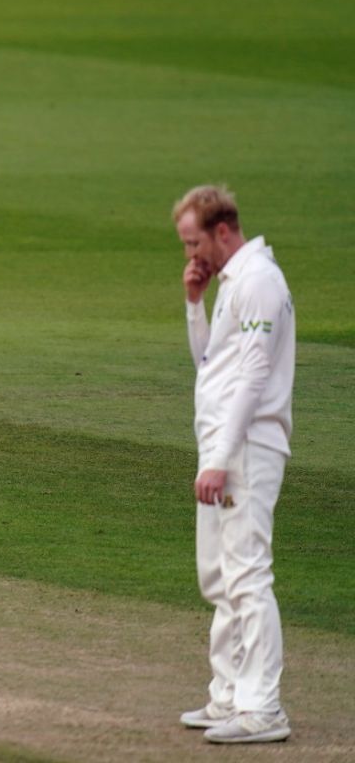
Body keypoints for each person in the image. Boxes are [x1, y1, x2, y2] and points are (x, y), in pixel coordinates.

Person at [173, 185, 295, 744]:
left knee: (247, 576)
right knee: (219, 578)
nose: (191, 255)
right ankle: (228, 696)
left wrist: (221, 458)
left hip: (246, 447)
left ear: (224, 231)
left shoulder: (260, 281)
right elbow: (210, 364)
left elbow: (253, 377)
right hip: (223, 447)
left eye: (195, 243)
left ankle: (263, 707)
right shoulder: (231, 283)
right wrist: (195, 305)